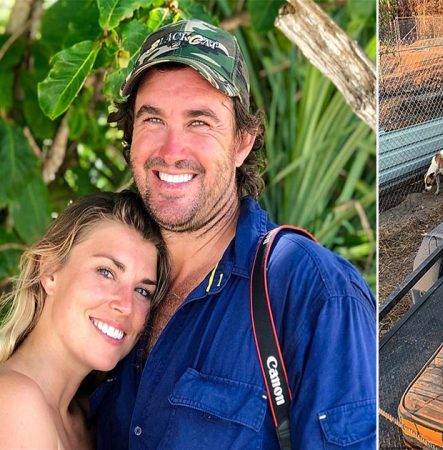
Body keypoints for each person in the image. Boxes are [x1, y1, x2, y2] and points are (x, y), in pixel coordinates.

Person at [90, 20, 376, 449]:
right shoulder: (101, 284)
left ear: (243, 142)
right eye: (152, 119)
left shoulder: (312, 292)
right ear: (130, 134)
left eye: (199, 122)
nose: (171, 150)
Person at [0, 192, 169, 448]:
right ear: (49, 271)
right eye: (106, 272)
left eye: (143, 291)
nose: (125, 305)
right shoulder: (13, 403)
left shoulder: (87, 420)